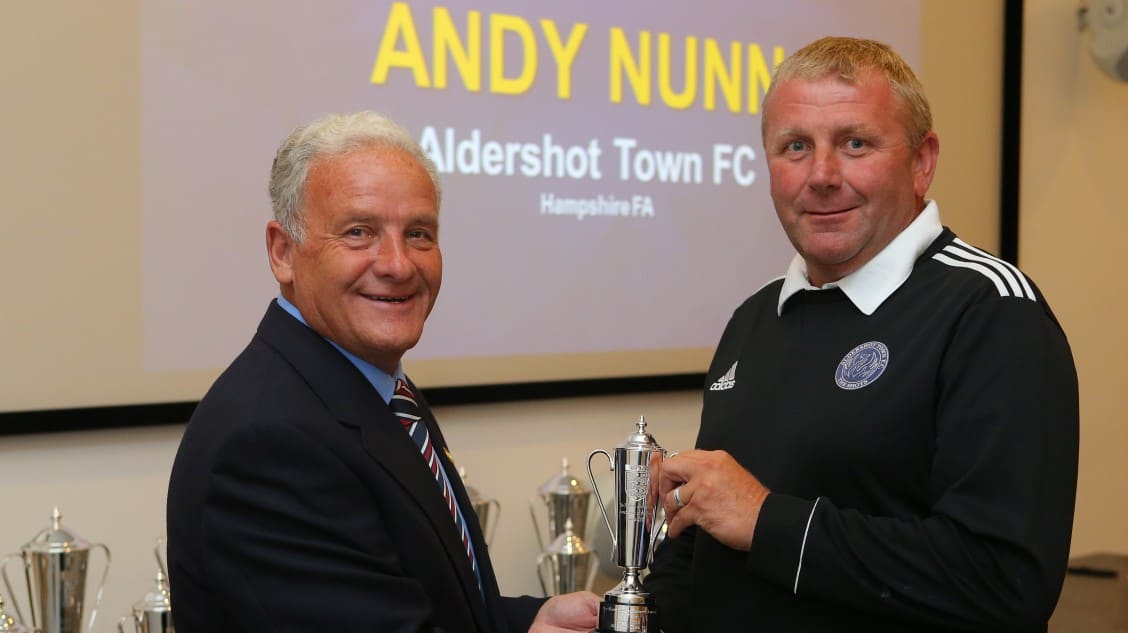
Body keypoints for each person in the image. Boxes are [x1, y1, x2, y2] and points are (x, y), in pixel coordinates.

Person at [644, 36, 1079, 632]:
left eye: (855, 144)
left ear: (922, 162)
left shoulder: (992, 313)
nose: (821, 175)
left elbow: (1004, 582)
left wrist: (768, 522)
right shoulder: (753, 318)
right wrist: (631, 616)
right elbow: (711, 544)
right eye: (795, 146)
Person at [166, 111, 599, 633]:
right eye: (358, 232)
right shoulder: (267, 442)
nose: (397, 264)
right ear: (283, 253)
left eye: (418, 234)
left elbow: (415, 599)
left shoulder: (373, 388)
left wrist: (527, 620)